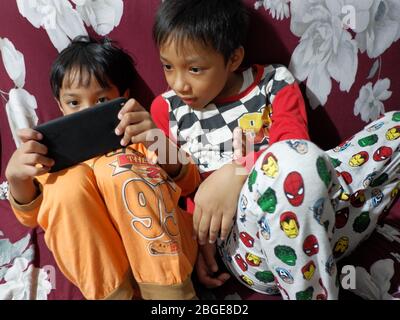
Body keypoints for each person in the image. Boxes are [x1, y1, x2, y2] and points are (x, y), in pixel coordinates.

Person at [150, 0, 400, 299]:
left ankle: (318, 251)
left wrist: (237, 170)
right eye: (167, 66)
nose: (179, 83)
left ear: (233, 58)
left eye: (194, 69)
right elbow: (174, 189)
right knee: (295, 163)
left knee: (393, 127)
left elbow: (294, 144)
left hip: (322, 211)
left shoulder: (273, 81)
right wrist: (199, 237)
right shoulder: (167, 108)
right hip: (249, 247)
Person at [5, 36, 200, 300]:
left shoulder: (136, 139)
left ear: (123, 98)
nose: (87, 112)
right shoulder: (50, 159)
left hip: (168, 267)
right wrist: (15, 177)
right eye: (74, 103)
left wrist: (155, 137)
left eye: (101, 101)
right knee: (66, 186)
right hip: (109, 283)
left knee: (115, 168)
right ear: (60, 105)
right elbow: (32, 217)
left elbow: (188, 182)